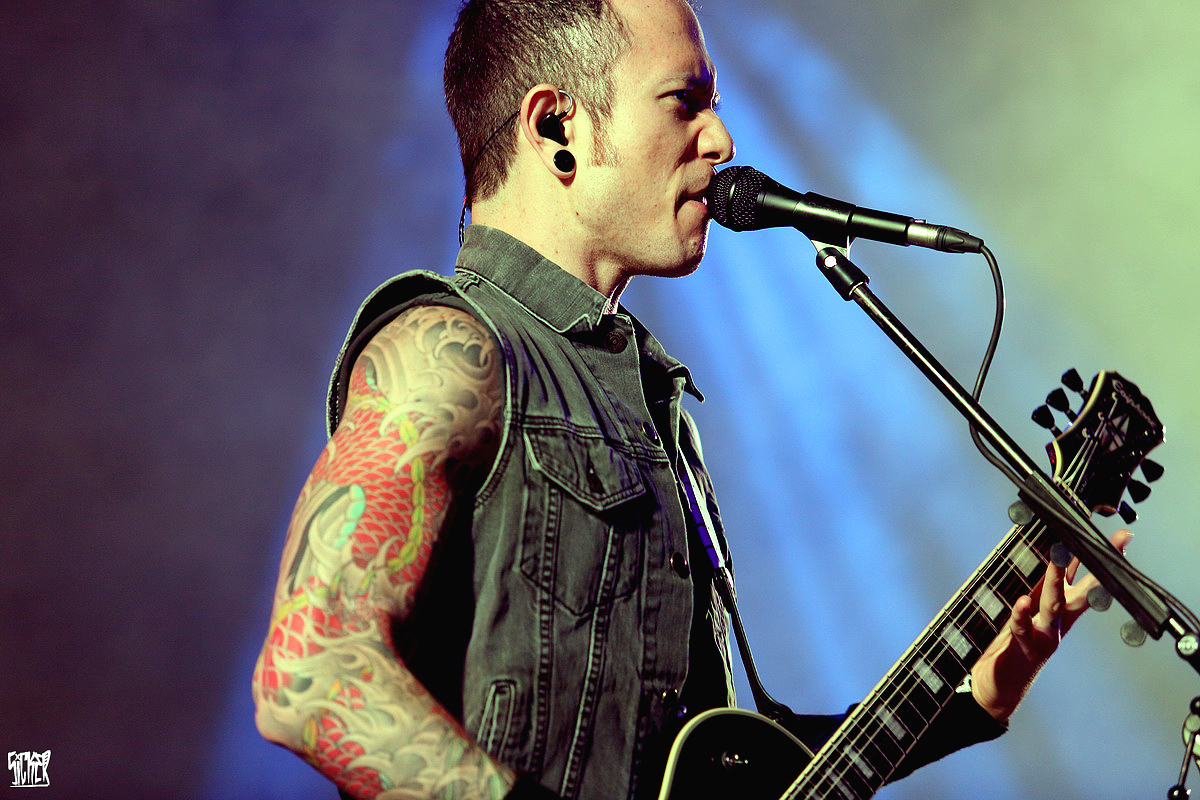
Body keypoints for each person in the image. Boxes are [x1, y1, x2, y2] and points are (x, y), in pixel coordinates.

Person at [252, 1, 1127, 798]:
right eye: (686, 100)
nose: (722, 139)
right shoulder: (447, 350)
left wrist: (975, 699)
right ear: (556, 126)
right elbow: (310, 675)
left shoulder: (652, 405)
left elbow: (731, 763)